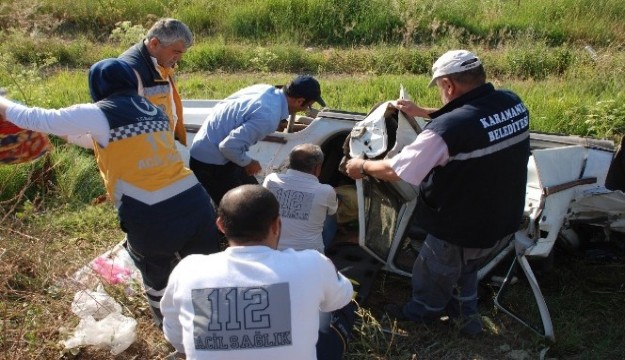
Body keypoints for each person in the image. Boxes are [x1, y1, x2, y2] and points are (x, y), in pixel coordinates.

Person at [0, 58, 219, 327]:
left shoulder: (100, 112)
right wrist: (67, 134)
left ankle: (174, 334)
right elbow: (108, 141)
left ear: (97, 86)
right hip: (195, 202)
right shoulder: (154, 111)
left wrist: (4, 106)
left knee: (158, 280)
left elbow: (38, 118)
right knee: (205, 277)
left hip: (152, 214)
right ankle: (213, 330)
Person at [345, 50, 530, 336]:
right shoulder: (512, 103)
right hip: (504, 217)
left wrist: (362, 165)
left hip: (459, 226)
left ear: (448, 86)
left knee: (434, 271)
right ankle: (464, 314)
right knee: (468, 267)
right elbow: (473, 117)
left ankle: (422, 313)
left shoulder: (447, 130)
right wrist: (422, 113)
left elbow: (398, 170)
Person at [160, 185, 354, 360]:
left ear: (220, 225)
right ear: (277, 225)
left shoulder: (188, 270)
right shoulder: (312, 263)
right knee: (337, 302)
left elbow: (176, 336)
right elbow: (342, 297)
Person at [189, 75, 326, 205]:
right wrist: (249, 162)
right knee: (239, 210)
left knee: (257, 197)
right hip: (210, 162)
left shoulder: (266, 90)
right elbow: (228, 147)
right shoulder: (268, 117)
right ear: (299, 101)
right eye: (308, 106)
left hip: (215, 147)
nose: (306, 109)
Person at [119, 18, 192, 147]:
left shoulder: (162, 62)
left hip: (160, 150)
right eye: (176, 52)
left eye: (182, 53)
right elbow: (120, 125)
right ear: (154, 44)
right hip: (141, 156)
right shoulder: (128, 72)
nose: (179, 58)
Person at [262, 143, 338, 253]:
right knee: (331, 216)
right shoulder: (326, 191)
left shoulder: (271, 179)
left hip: (272, 248)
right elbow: (332, 212)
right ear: (317, 168)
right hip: (310, 254)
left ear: (290, 163)